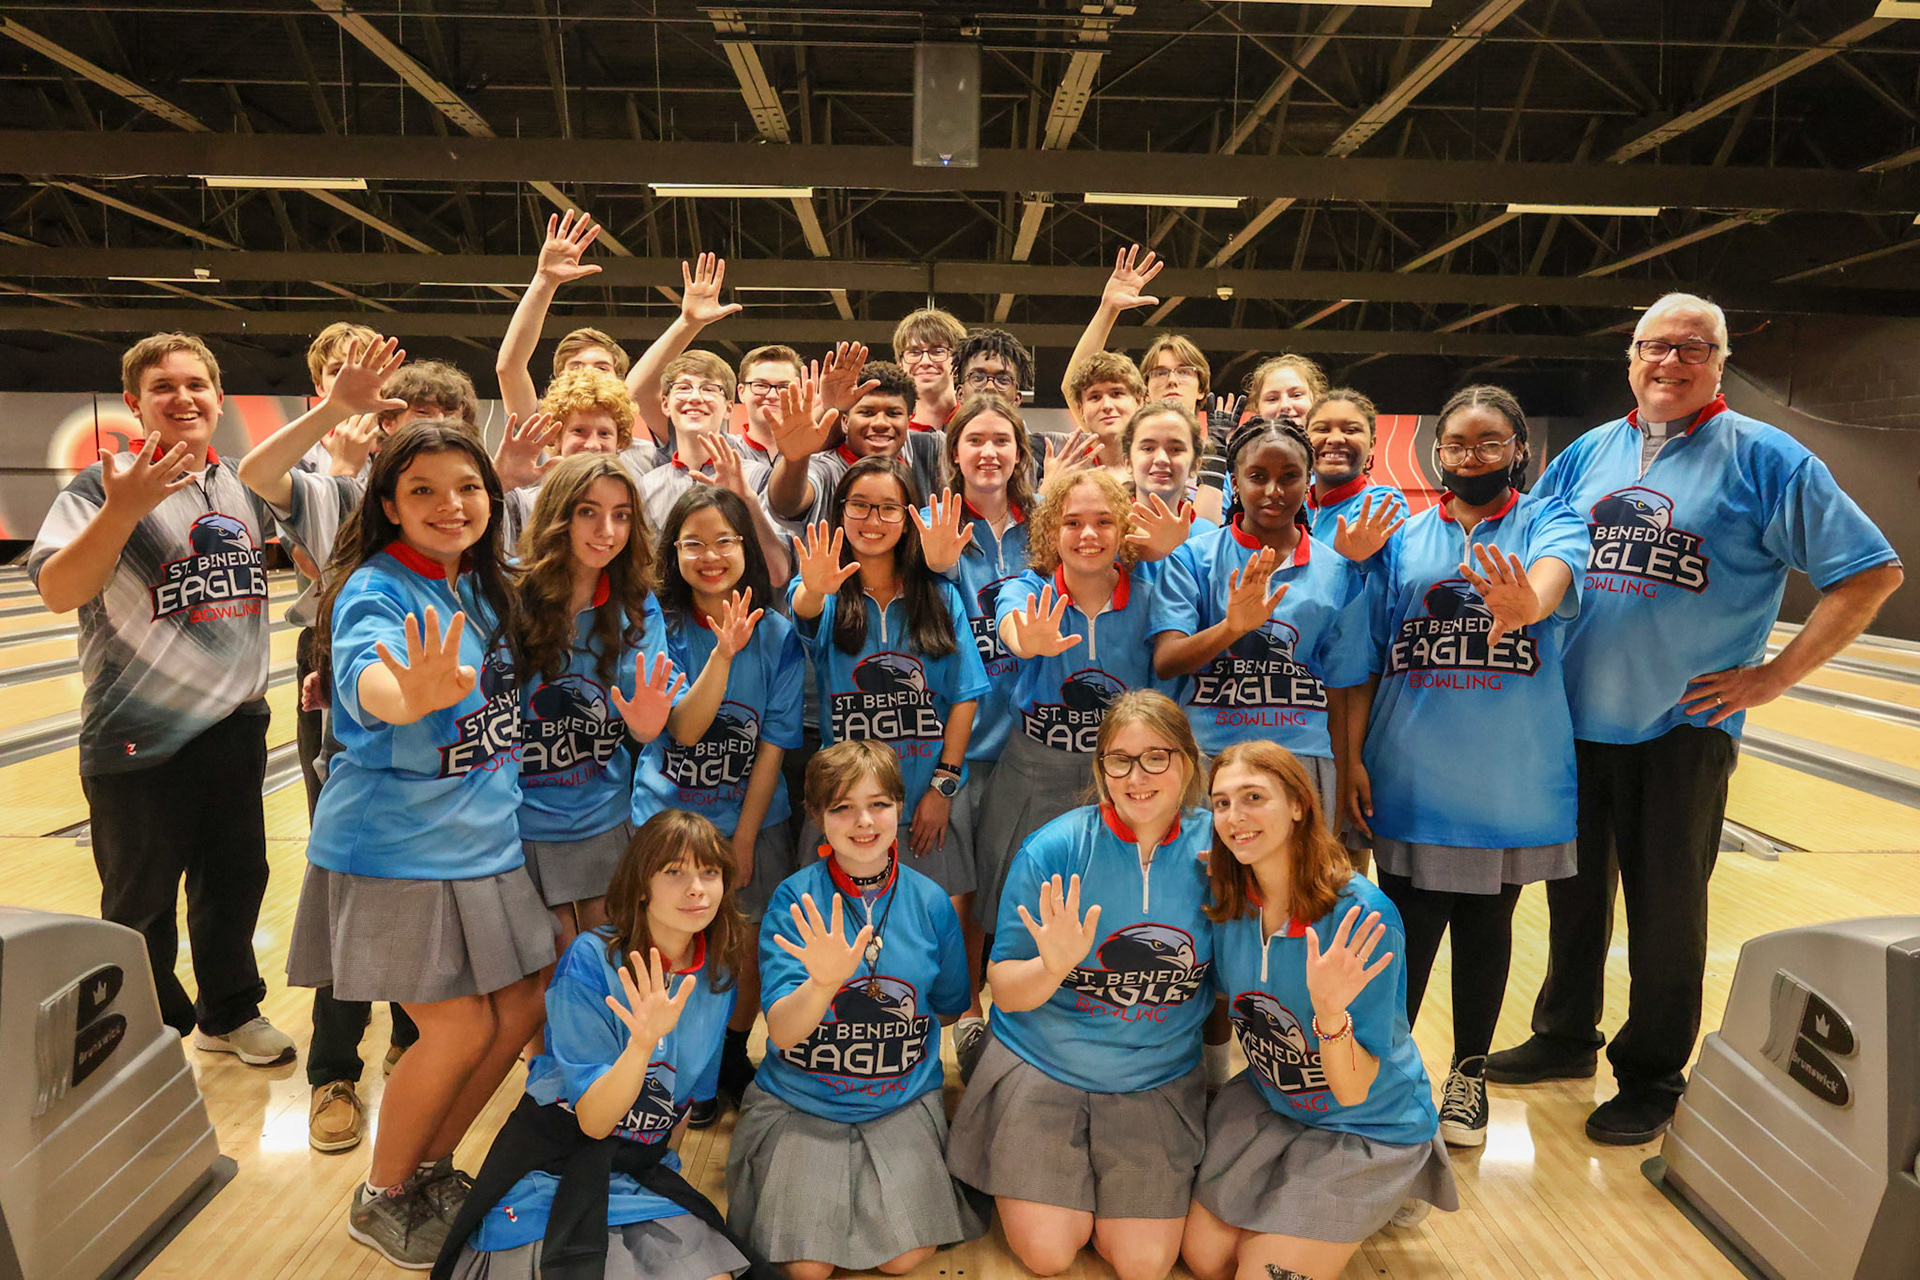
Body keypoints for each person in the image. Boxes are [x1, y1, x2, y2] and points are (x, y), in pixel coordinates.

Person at [1489, 293, 1904, 1144]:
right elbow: (1541, 556)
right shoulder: (1588, 453)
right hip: (1575, 718)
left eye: (1692, 348)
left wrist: (1775, 676)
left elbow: (1869, 573)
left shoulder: (1767, 458)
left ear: (1718, 362)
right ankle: (1566, 1036)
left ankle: (1651, 1075)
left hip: (1682, 724)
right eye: (1656, 347)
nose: (1670, 363)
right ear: (1631, 358)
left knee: (1667, 909)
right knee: (1571, 895)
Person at [283, 421, 561, 1267]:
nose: (451, 505)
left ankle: (430, 1167)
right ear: (391, 505)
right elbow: (368, 676)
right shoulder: (379, 585)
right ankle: (383, 1193)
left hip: (482, 839)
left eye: (467, 488)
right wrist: (403, 693)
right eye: (424, 491)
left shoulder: (478, 583)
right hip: (396, 849)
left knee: (518, 1009)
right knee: (452, 1030)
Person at [29, 331, 321, 1067]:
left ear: (220, 401)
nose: (183, 398)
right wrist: (123, 510)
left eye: (196, 385)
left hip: (236, 723)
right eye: (164, 387)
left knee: (235, 880)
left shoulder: (245, 485)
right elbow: (60, 591)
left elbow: (319, 560)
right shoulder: (98, 490)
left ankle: (227, 1015)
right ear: (135, 404)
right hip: (136, 731)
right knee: (141, 898)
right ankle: (146, 1026)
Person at [1341, 385, 1590, 1149]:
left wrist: (1527, 605)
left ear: (1519, 449)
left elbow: (1552, 575)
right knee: (1405, 925)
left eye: (1489, 443)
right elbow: (1369, 653)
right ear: (1436, 454)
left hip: (1509, 771)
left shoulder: (1550, 517)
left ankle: (1467, 1076)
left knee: (1489, 924)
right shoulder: (1405, 536)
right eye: (1457, 445)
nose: (1471, 457)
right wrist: (1351, 756)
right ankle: (1392, 1073)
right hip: (1411, 762)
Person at [947, 690, 1215, 1280]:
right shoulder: (1056, 848)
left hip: (1155, 1075)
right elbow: (1005, 989)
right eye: (1118, 760)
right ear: (1099, 769)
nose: (1135, 776)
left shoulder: (1219, 853)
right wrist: (1052, 967)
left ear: (1188, 763)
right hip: (1043, 1062)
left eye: (1155, 758)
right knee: (1048, 1253)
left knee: (1144, 1264)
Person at [437, 810, 765, 1280]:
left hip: (635, 1166)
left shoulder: (717, 973)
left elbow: (681, 1105)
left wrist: (664, 1186)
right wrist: (641, 1045)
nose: (697, 888)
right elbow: (593, 1121)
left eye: (709, 872)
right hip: (555, 1160)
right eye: (674, 872)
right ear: (640, 887)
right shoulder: (591, 960)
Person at [1185, 742, 1455, 1280]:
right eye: (1221, 804)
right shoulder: (1229, 898)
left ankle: (1384, 1191)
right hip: (1273, 1102)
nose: (1235, 818)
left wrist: (1330, 1014)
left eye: (1254, 798)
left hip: (1365, 1121)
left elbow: (1352, 1090)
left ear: (1298, 805)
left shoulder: (1362, 916)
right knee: (1205, 1260)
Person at [726, 741, 984, 1277]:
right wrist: (822, 986)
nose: (863, 822)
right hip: (803, 1100)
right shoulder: (792, 900)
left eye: (879, 804)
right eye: (843, 807)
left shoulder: (932, 901)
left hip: (900, 1099)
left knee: (904, 1258)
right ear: (817, 817)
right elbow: (784, 1031)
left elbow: (948, 1009)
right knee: (806, 1267)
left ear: (900, 809)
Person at [515, 452, 746, 951]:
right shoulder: (509, 592)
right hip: (521, 819)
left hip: (603, 814)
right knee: (547, 971)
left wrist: (644, 726)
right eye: (588, 512)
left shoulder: (636, 604)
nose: (608, 530)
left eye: (621, 515)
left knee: (606, 959)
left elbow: (653, 728)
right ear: (558, 514)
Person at [635, 485, 806, 1123]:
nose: (711, 556)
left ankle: (730, 1055)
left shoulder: (781, 634)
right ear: (672, 552)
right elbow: (682, 727)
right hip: (668, 820)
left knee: (749, 945)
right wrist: (723, 655)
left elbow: (772, 748)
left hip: (752, 819)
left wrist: (743, 837)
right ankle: (676, 1063)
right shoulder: (656, 621)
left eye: (725, 542)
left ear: (746, 549)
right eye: (694, 544)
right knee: (672, 944)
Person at [788, 457, 990, 933]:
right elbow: (804, 606)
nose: (872, 520)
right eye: (859, 506)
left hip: (926, 800)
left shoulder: (940, 596)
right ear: (839, 513)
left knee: (935, 933)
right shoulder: (823, 589)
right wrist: (815, 589)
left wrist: (943, 787)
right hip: (844, 805)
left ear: (908, 520)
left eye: (888, 509)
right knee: (844, 939)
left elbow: (964, 696)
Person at [973, 468, 1169, 936]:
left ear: (1123, 530)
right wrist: (1025, 638)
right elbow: (1013, 626)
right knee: (1010, 903)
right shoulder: (1028, 588)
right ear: (1049, 532)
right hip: (1036, 768)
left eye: (1103, 521)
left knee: (1112, 910)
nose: (1088, 535)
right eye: (1071, 522)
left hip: (1126, 775)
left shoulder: (1151, 593)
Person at [1150, 418, 1370, 820]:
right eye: (1257, 476)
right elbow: (1166, 662)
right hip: (1208, 757)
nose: (1274, 491)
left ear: (1308, 483)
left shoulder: (1338, 571)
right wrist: (1231, 628)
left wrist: (1340, 781)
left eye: (1289, 476)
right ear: (1234, 481)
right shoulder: (1192, 558)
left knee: (1293, 884)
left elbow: (1341, 691)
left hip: (1301, 758)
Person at [924, 393, 1039, 1074]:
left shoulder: (1045, 530)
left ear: (1020, 453)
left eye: (1002, 440)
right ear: (955, 454)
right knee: (963, 892)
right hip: (957, 741)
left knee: (1016, 890)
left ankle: (1020, 1013)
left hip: (1030, 741)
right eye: (976, 441)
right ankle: (968, 1019)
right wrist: (933, 564)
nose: (989, 451)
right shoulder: (935, 529)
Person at [493, 209, 633, 449]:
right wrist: (545, 280)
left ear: (619, 381)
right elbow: (509, 367)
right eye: (576, 366)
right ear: (558, 380)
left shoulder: (643, 454)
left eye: (601, 367)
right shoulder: (543, 430)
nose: (587, 374)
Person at [765, 364, 947, 525]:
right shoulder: (824, 469)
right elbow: (786, 506)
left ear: (909, 421)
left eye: (893, 413)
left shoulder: (924, 455)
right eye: (867, 413)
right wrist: (795, 459)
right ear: (845, 422)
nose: (880, 423)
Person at [493, 366, 640, 548]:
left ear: (619, 442)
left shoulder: (629, 509)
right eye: (579, 431)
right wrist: (500, 480)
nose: (593, 444)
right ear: (557, 437)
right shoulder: (523, 505)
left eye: (604, 433)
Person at [1301, 387, 1406, 540]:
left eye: (1350, 430)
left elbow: (1360, 543)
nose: (1335, 438)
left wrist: (1358, 542)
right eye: (1322, 429)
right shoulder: (1293, 507)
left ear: (1371, 445)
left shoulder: (1383, 500)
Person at [1064, 350, 1147, 483]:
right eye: (1095, 397)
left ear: (1139, 401)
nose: (1106, 405)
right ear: (1081, 410)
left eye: (1116, 393)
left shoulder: (1157, 466)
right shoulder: (1064, 468)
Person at [893, 306, 967, 431]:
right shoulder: (895, 435)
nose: (925, 361)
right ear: (900, 365)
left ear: (958, 361)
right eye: (914, 352)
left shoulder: (977, 426)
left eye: (938, 351)